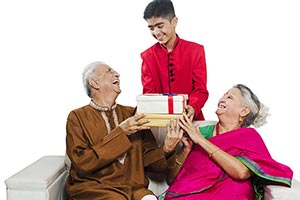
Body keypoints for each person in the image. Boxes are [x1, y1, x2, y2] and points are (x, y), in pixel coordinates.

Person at [65, 61, 180, 200]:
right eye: (109, 71)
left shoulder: (133, 114)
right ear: (94, 83)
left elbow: (149, 162)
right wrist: (122, 132)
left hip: (132, 187)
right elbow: (82, 164)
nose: (117, 74)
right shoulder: (77, 117)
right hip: (94, 187)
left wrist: (166, 149)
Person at [159, 84, 293, 200]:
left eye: (229, 97)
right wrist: (186, 150)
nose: (222, 99)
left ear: (244, 111)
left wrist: (200, 141)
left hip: (231, 193)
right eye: (224, 95)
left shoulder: (249, 137)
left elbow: (241, 173)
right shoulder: (202, 131)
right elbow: (173, 181)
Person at [141, 0, 209, 120]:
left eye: (160, 26)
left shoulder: (195, 50)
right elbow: (149, 95)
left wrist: (193, 106)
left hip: (192, 118)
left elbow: (200, 90)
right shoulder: (147, 56)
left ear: (174, 22)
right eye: (151, 28)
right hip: (160, 120)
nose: (156, 32)